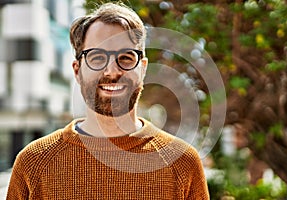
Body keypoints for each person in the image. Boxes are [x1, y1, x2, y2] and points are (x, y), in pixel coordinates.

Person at [6, 2, 209, 199]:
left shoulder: (182, 162)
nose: (112, 71)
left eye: (127, 57)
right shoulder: (33, 163)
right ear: (77, 71)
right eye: (96, 58)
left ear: (143, 68)